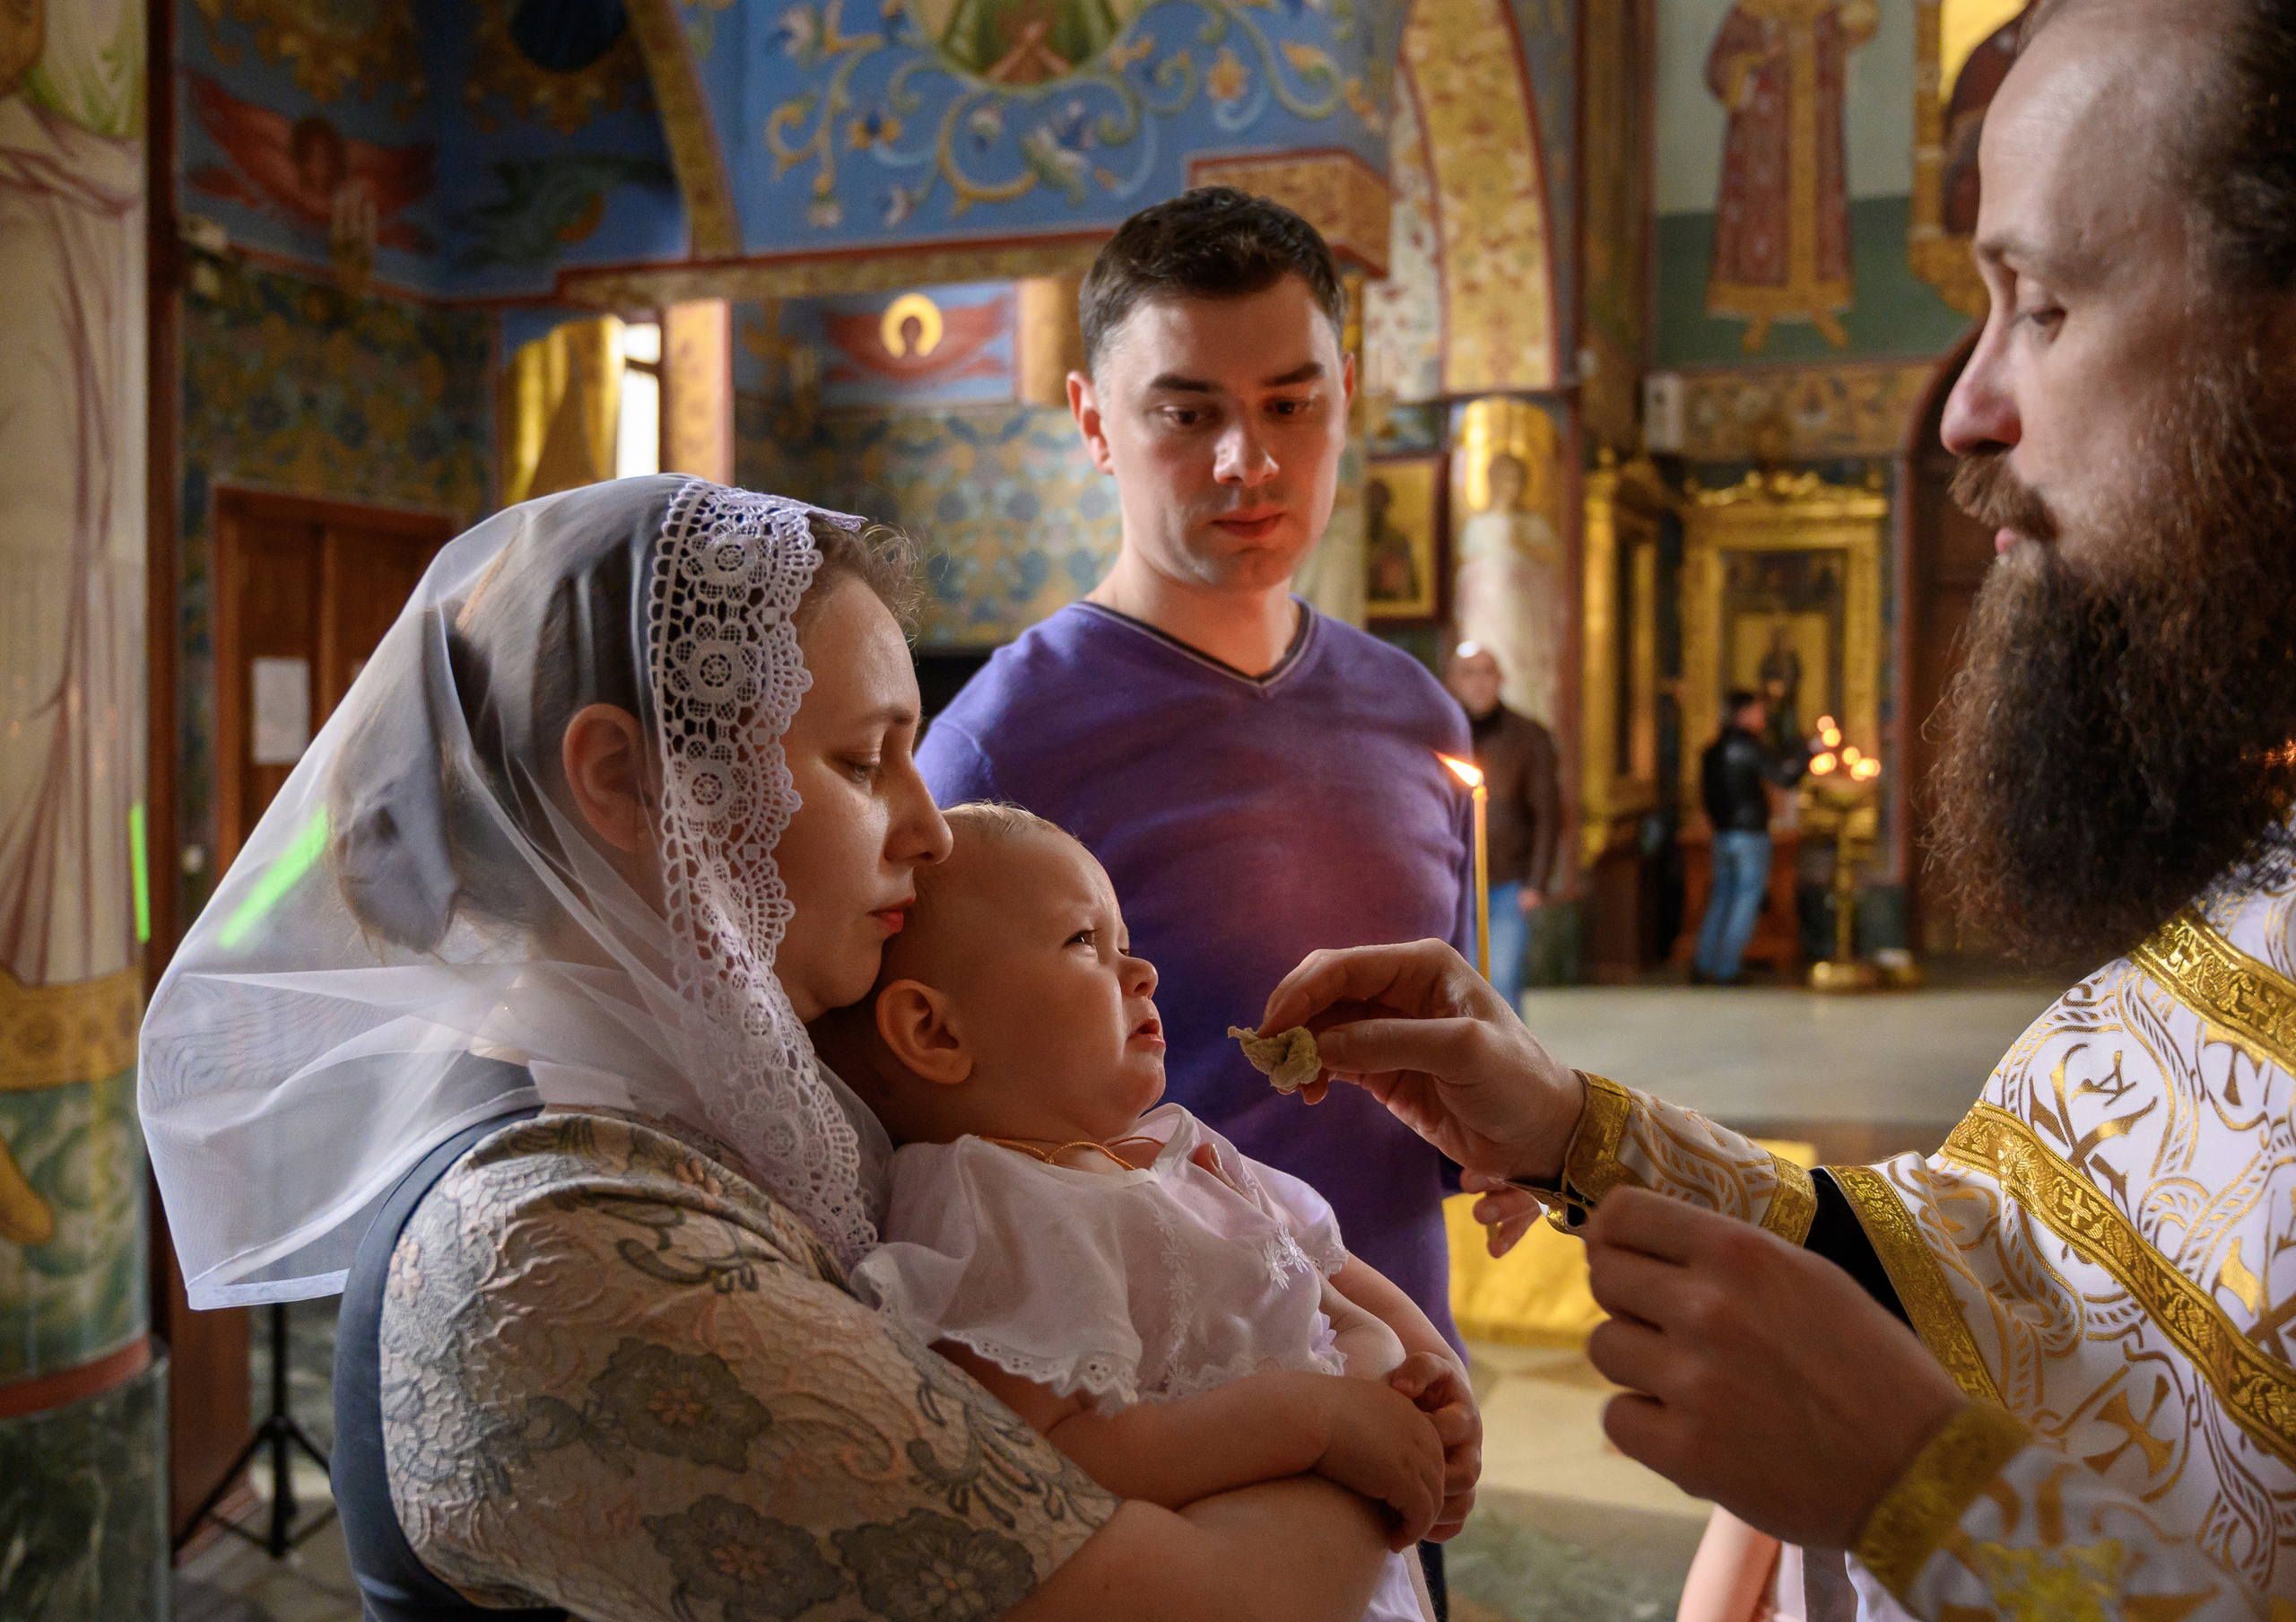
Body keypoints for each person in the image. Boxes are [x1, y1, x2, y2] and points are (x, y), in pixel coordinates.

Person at [1248, 0, 2296, 1610]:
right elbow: (2014, 1267)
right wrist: (1581, 1128)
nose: (1966, 407)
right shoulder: (2258, 885)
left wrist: (1921, 1491)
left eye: (2045, 304)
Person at [139, 476, 1400, 1622]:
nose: (931, 831)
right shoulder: (551, 1242)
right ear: (625, 781)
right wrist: (1365, 1421)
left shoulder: (754, 1108)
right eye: (863, 761)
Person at [915, 181, 1475, 1451]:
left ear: (1350, 390)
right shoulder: (999, 753)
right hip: (1164, 1421)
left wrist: (1494, 1145)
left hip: (1401, 1359)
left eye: (1292, 403)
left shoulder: (1415, 713)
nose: (1251, 463)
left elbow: (1446, 1040)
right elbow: (939, 1156)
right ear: (1094, 423)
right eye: (1189, 414)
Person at [820, 803, 1483, 1622]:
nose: (1142, 973)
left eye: (1126, 942)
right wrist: (1313, 1422)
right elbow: (1048, 1459)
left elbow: (1342, 1285)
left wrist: (1430, 1386)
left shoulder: (1188, 1150)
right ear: (934, 1030)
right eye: (1083, 943)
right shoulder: (991, 1202)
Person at [1441, 641, 1561, 1007]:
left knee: (1503, 979)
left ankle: (1512, 1063)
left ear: (1501, 679)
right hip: (1452, 880)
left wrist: (1537, 882)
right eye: (1468, 673)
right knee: (1462, 984)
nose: (1478, 683)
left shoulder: (1528, 736)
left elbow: (1547, 812)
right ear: (1454, 682)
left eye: (1486, 672)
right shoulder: (1441, 734)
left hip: (1508, 880)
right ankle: (1471, 1062)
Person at [1693, 690, 1802, 985]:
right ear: (1742, 713)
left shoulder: (1712, 751)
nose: (1762, 717)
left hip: (1722, 833)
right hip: (1750, 834)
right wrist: (1806, 752)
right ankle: (1727, 968)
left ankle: (1703, 964)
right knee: (1746, 898)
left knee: (1722, 896)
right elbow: (1784, 776)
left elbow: (1706, 794)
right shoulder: (1750, 747)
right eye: (1757, 711)